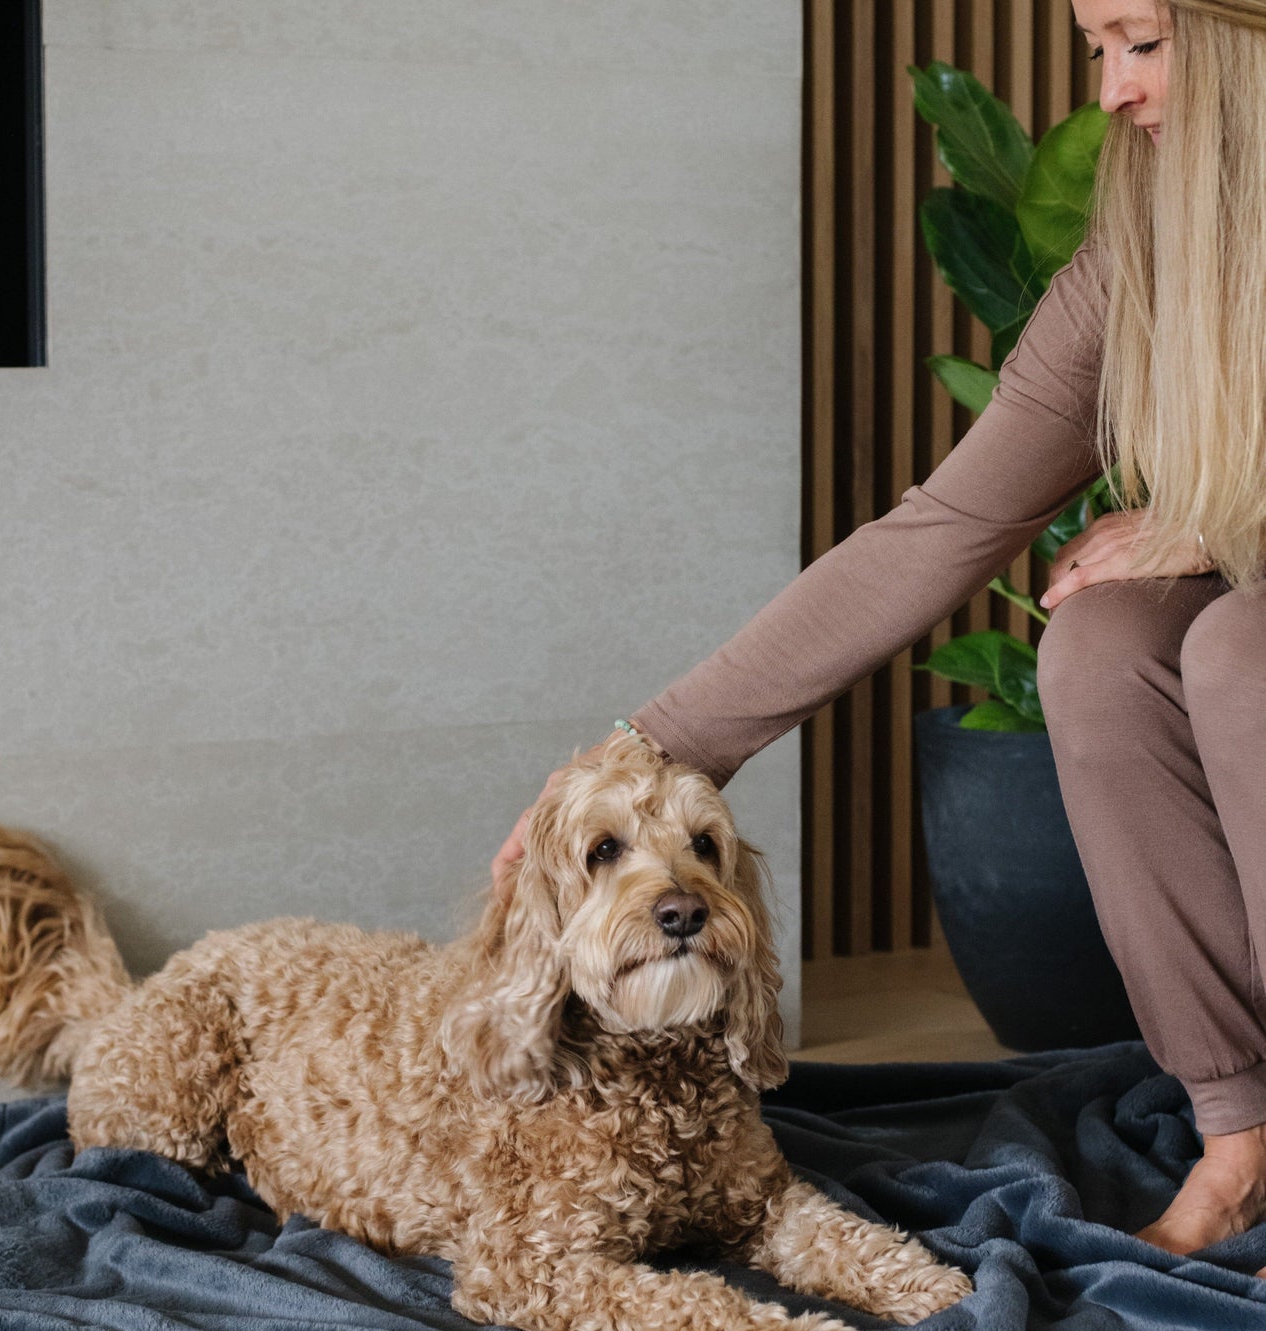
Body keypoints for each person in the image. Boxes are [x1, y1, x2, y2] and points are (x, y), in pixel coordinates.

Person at [492, 0, 1266, 1262]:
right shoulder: (1145, 239)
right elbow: (942, 526)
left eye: (1144, 41)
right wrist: (646, 745)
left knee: (1236, 647)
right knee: (1098, 642)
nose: (1113, 91)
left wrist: (1227, 521)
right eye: (1096, 51)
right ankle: (1238, 1134)